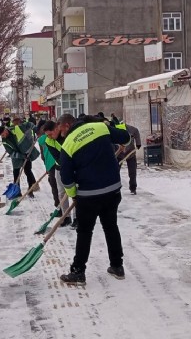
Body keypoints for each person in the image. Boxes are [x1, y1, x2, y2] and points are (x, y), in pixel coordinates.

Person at [56, 113, 131, 284]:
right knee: (111, 226)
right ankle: (117, 266)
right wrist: (116, 126)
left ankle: (78, 271)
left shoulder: (68, 144)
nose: (62, 135)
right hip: (112, 189)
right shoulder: (100, 127)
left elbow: (66, 178)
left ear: (67, 125)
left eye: (61, 131)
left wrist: (74, 195)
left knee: (84, 232)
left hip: (88, 195)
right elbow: (126, 138)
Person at [42, 120, 74, 227]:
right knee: (61, 193)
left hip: (74, 167)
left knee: (75, 193)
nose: (49, 137)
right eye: (47, 135)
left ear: (56, 129)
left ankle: (78, 218)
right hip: (60, 168)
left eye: (51, 134)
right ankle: (66, 217)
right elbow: (57, 157)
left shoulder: (67, 135)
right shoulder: (49, 141)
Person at [0, 119, 39, 197]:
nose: (3, 136)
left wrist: (35, 129)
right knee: (16, 173)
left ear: (6, 130)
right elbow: (11, 152)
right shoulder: (4, 141)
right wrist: (22, 156)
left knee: (28, 171)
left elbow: (28, 124)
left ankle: (30, 190)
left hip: (26, 152)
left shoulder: (17, 128)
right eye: (1, 136)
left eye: (3, 134)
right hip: (17, 157)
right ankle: (17, 192)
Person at [36, 120, 60, 213]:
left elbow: (43, 155)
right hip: (52, 164)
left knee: (55, 187)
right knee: (56, 187)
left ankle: (59, 208)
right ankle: (59, 207)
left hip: (53, 164)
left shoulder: (43, 139)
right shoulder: (47, 138)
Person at [115, 121, 142, 194]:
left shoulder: (131, 130)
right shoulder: (114, 131)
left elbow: (136, 131)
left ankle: (133, 188)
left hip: (130, 153)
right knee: (115, 172)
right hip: (119, 154)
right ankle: (115, 188)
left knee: (132, 172)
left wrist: (138, 143)